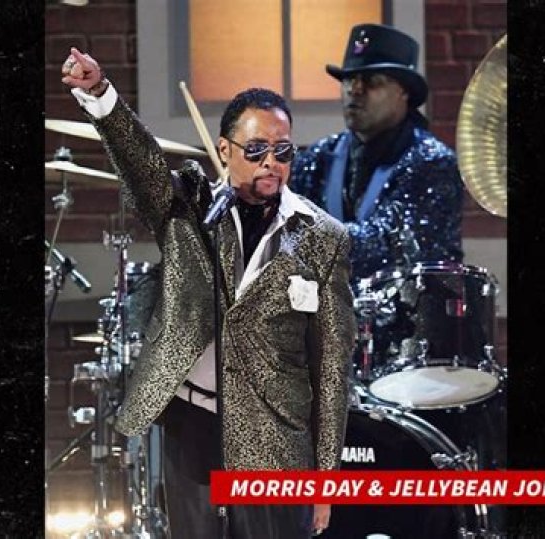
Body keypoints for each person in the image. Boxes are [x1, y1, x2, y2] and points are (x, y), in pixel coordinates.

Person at [61, 47, 356, 539]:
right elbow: (142, 164)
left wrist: (326, 478)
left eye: (283, 151)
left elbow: (331, 369)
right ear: (224, 150)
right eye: (256, 150)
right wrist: (100, 94)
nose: (271, 163)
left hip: (275, 438)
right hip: (193, 426)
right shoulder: (190, 211)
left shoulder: (323, 238)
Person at [290, 23, 464, 281]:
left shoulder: (433, 163)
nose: (354, 90)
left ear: (404, 91)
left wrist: (303, 237)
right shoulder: (319, 157)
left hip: (408, 307)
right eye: (348, 79)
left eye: (372, 81)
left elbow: (388, 245)